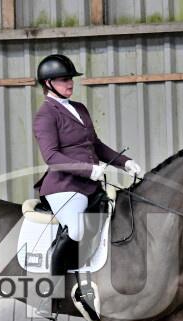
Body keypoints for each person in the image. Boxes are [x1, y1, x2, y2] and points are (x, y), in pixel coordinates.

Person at [32, 54, 143, 279]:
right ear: (48, 83)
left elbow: (96, 145)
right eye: (64, 79)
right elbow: (51, 156)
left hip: (90, 186)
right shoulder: (45, 115)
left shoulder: (79, 108)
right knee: (76, 228)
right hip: (64, 186)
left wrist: (124, 162)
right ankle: (52, 287)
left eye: (71, 78)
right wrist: (89, 169)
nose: (70, 83)